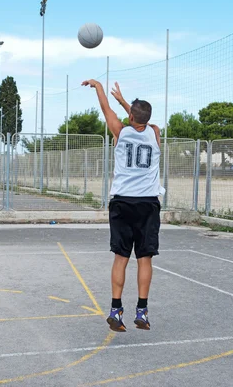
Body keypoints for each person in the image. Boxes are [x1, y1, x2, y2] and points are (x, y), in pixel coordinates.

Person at [82, 79, 163, 332]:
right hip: (148, 203)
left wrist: (99, 88)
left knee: (121, 258)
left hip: (122, 202)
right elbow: (142, 119)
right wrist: (127, 104)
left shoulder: (120, 131)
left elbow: (106, 109)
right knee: (145, 259)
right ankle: (142, 311)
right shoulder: (155, 132)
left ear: (128, 116)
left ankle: (116, 311)